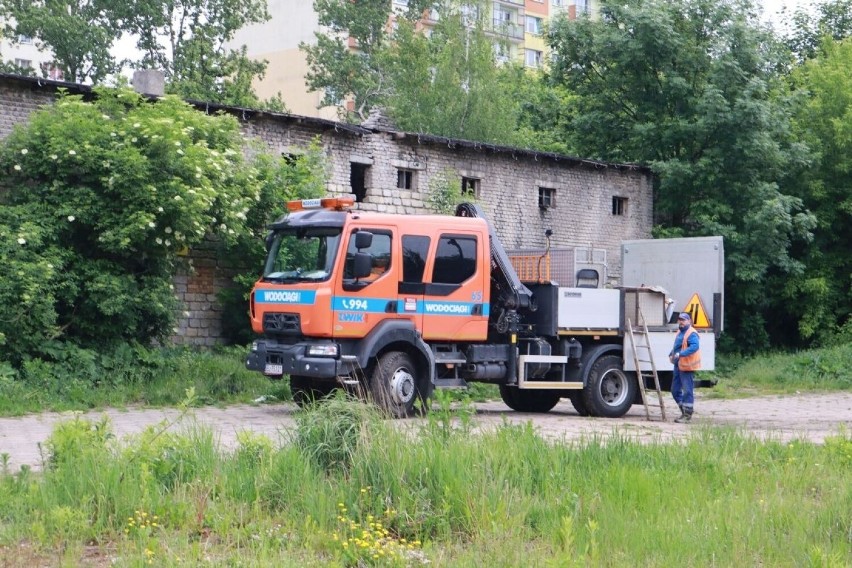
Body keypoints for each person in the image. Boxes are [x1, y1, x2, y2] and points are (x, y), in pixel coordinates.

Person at [669, 312, 701, 423]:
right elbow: (677, 346)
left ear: (689, 321)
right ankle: (684, 411)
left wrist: (681, 354)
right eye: (680, 319)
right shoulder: (679, 332)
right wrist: (671, 354)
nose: (681, 322)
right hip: (678, 365)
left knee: (687, 390)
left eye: (683, 320)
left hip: (687, 366)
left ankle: (687, 415)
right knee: (674, 390)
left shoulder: (691, 333)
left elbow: (695, 346)